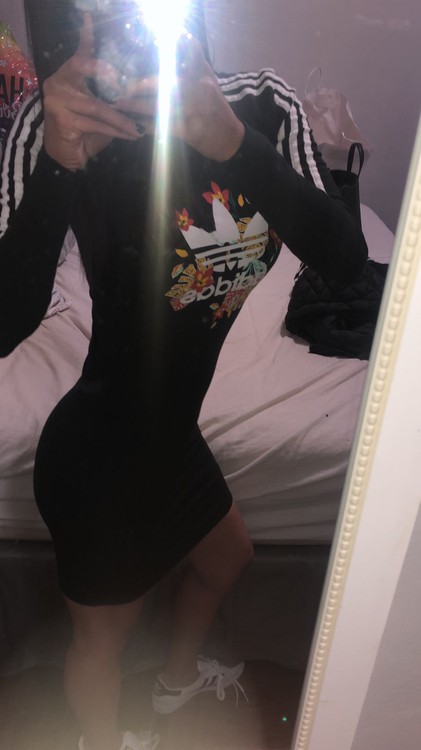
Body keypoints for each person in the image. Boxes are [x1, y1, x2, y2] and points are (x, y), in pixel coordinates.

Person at [0, 2, 368, 749]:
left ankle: (176, 682)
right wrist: (58, 166)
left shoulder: (261, 102)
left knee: (229, 559)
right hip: (97, 453)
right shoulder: (61, 116)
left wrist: (229, 142)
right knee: (103, 639)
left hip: (173, 437)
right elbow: (6, 323)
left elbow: (345, 262)